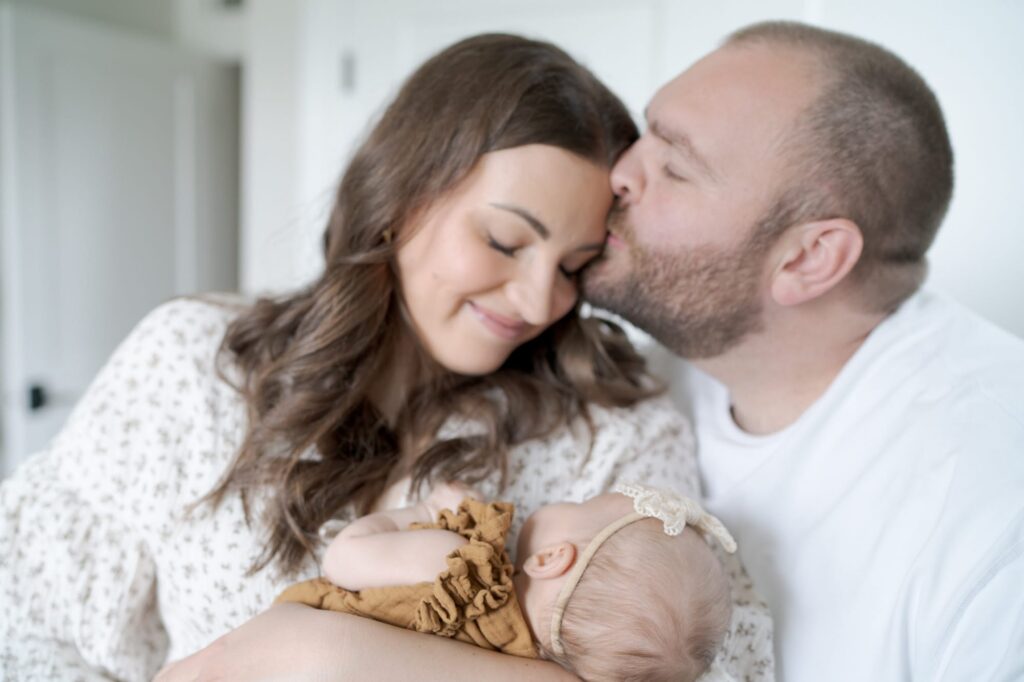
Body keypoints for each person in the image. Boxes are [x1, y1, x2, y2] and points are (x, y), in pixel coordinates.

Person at [0, 34, 773, 682]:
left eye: (574, 265)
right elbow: (25, 631)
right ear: (400, 200)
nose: (541, 303)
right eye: (504, 241)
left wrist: (318, 651)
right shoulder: (194, 362)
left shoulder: (617, 439)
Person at [583, 20, 1024, 682]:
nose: (620, 172)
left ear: (809, 258)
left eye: (675, 166)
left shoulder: (992, 509)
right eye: (646, 133)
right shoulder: (653, 372)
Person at [274, 482, 736, 682]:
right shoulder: (527, 662)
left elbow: (344, 557)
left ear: (552, 558)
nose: (568, 501)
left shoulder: (455, 569)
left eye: (583, 502)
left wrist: (426, 513)